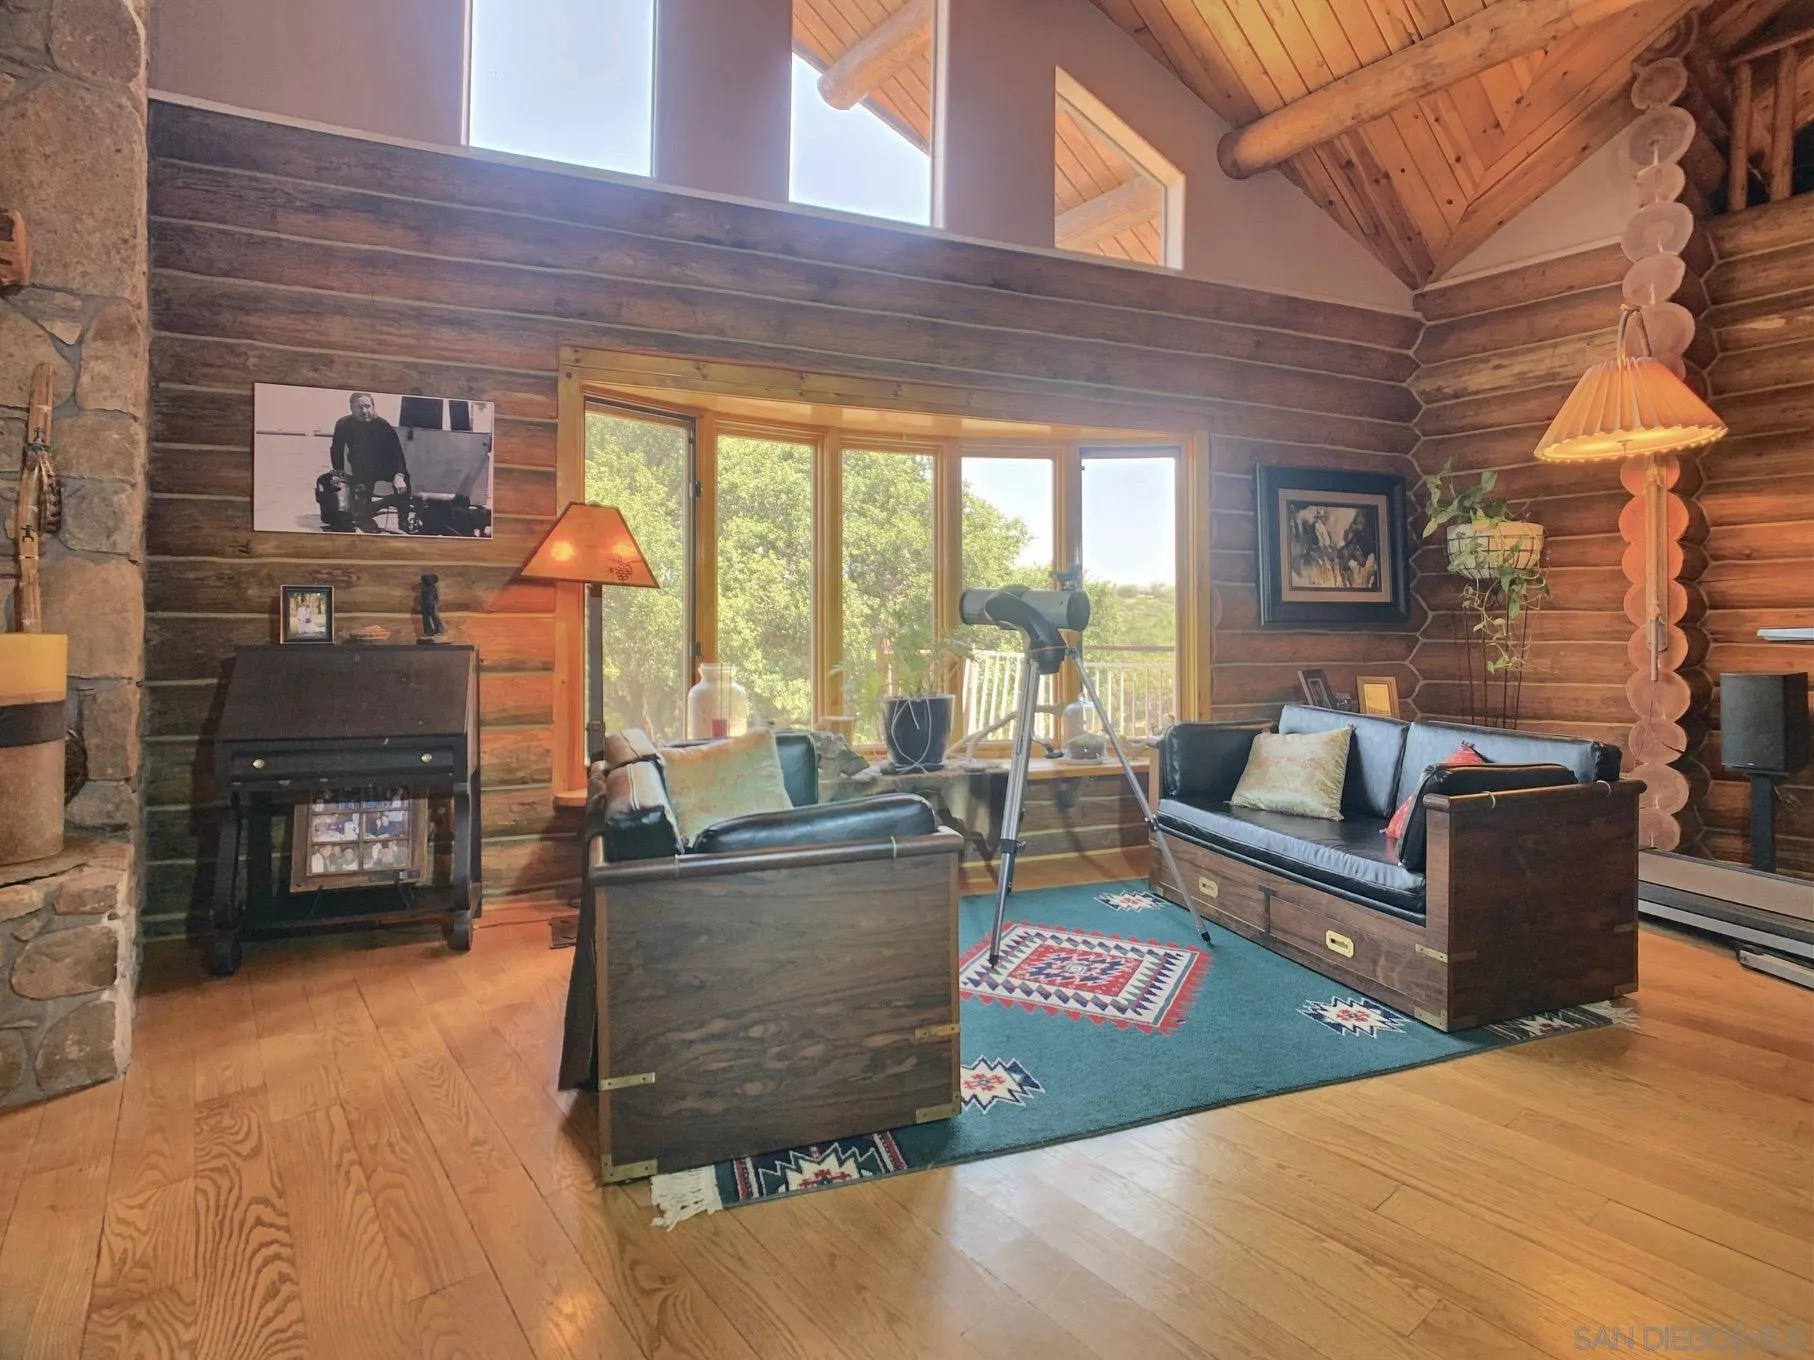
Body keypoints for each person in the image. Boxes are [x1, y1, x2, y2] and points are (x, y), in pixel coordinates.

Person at [328, 392, 409, 533]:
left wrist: (399, 475)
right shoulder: (343, 424)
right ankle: (369, 517)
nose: (364, 411)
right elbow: (336, 449)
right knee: (361, 508)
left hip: (386, 467)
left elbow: (398, 452)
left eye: (367, 406)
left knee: (405, 482)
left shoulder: (383, 425)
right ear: (351, 408)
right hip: (362, 469)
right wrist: (337, 472)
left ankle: (404, 522)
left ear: (373, 406)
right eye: (359, 407)